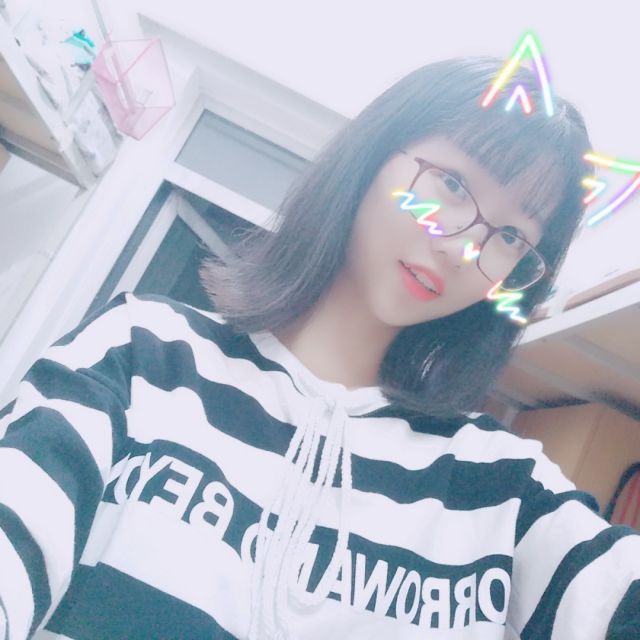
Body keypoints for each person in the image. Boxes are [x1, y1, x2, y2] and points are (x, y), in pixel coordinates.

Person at [0, 56, 638, 640]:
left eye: (510, 237)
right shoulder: (142, 354)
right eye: (450, 183)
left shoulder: (501, 485)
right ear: (374, 155)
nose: (462, 247)